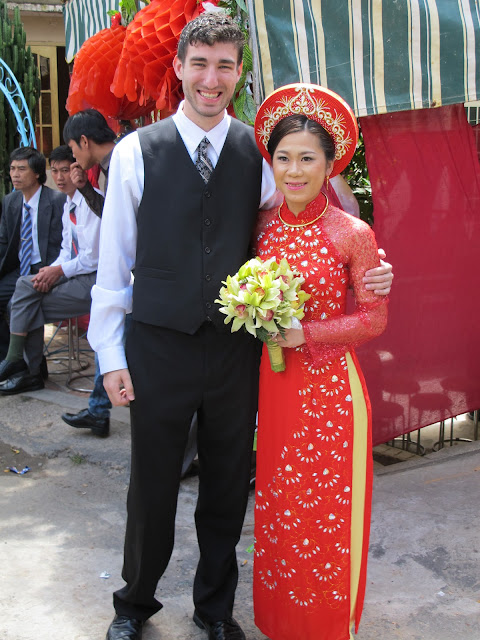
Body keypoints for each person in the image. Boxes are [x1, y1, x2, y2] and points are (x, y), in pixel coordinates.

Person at [87, 13, 393, 640]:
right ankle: (134, 603)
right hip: (158, 345)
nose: (212, 78)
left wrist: (372, 264)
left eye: (225, 65)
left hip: (235, 351)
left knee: (227, 485)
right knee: (152, 485)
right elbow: (113, 264)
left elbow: (307, 219)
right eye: (200, 64)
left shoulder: (259, 153)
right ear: (179, 68)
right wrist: (110, 355)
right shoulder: (136, 153)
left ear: (238, 73)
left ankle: (215, 609)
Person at [251, 84, 388, 640]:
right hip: (275, 386)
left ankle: (329, 625)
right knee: (281, 505)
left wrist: (302, 333)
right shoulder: (261, 227)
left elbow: (373, 319)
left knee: (327, 509)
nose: (294, 170)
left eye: (308, 158)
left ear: (330, 165)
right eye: (284, 158)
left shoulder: (353, 234)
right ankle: (281, 620)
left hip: (331, 393)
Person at [0, 145, 102, 395]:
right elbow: (66, 250)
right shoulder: (69, 204)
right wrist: (51, 271)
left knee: (24, 305)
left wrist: (56, 272)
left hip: (95, 278)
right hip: (72, 273)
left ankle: (25, 368)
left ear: (79, 170)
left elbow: (91, 258)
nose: (59, 177)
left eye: (65, 170)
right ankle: (25, 368)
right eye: (55, 171)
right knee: (24, 289)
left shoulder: (91, 201)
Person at [60, 110, 117, 435]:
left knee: (110, 335)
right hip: (127, 272)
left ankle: (99, 410)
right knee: (109, 336)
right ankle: (98, 410)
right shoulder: (110, 166)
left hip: (138, 273)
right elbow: (113, 215)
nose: (74, 158)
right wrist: (83, 188)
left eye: (73, 149)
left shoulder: (123, 161)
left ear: (84, 141)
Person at [0, 147, 64, 369]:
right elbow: (4, 242)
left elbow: (62, 246)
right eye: (12, 169)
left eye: (21, 169)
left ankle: (32, 368)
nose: (15, 174)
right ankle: (9, 360)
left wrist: (52, 273)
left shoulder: (56, 200)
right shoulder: (11, 201)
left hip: (46, 268)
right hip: (20, 268)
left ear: (37, 173)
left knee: (16, 305)